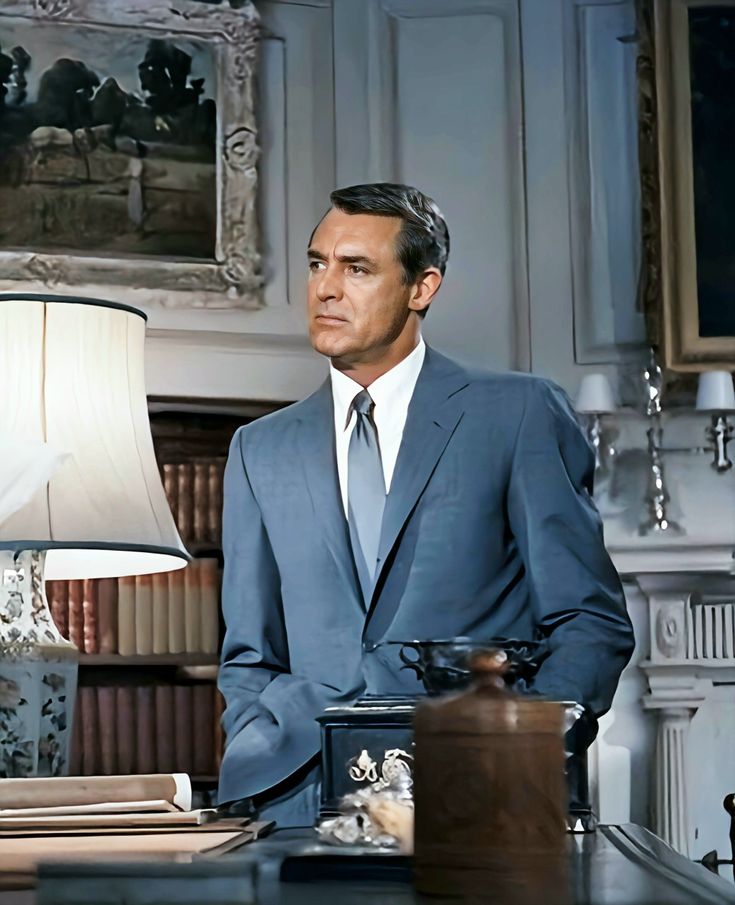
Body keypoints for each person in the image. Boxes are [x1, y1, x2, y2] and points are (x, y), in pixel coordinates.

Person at [216, 182, 634, 826]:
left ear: (422, 287)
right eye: (317, 263)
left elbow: (589, 620)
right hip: (295, 797)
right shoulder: (258, 449)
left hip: (479, 789)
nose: (326, 287)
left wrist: (522, 750)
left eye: (356, 268)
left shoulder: (516, 414)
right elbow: (249, 654)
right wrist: (255, 737)